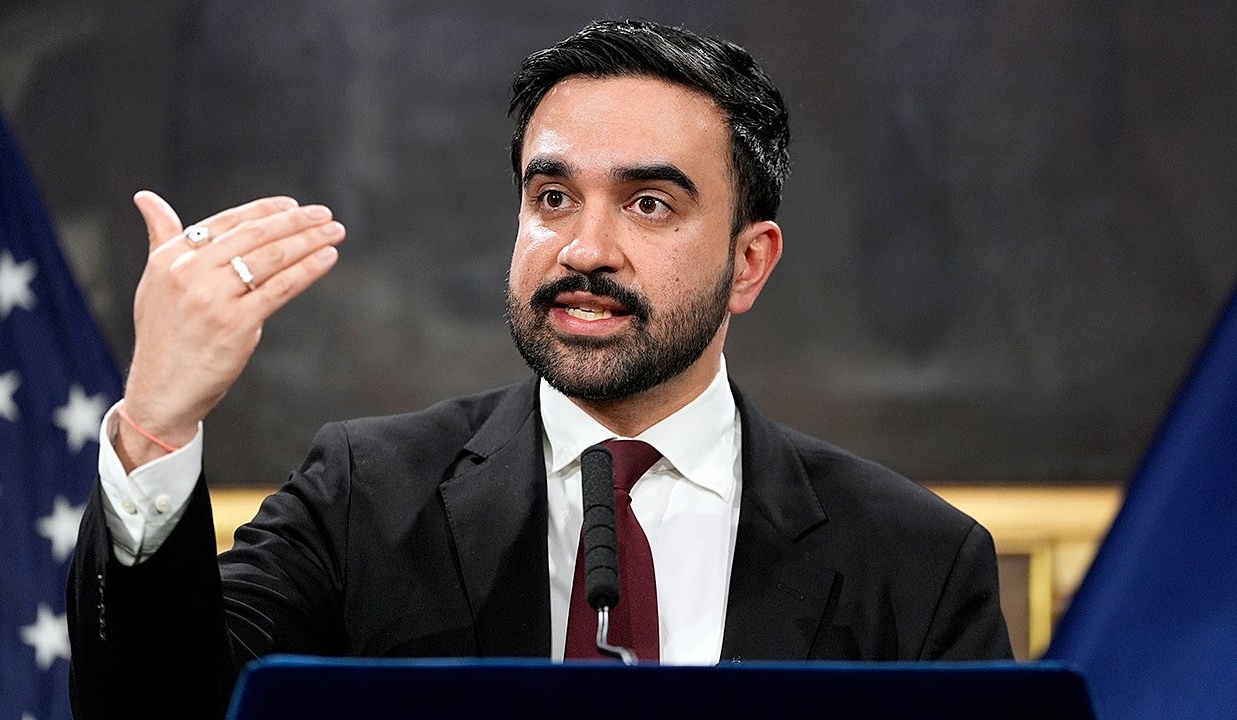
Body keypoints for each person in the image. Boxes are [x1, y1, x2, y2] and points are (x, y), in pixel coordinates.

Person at [66, 18, 1012, 719]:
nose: (584, 249)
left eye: (649, 204)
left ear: (749, 263)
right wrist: (158, 422)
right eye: (552, 196)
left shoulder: (915, 561)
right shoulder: (364, 498)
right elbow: (155, 710)